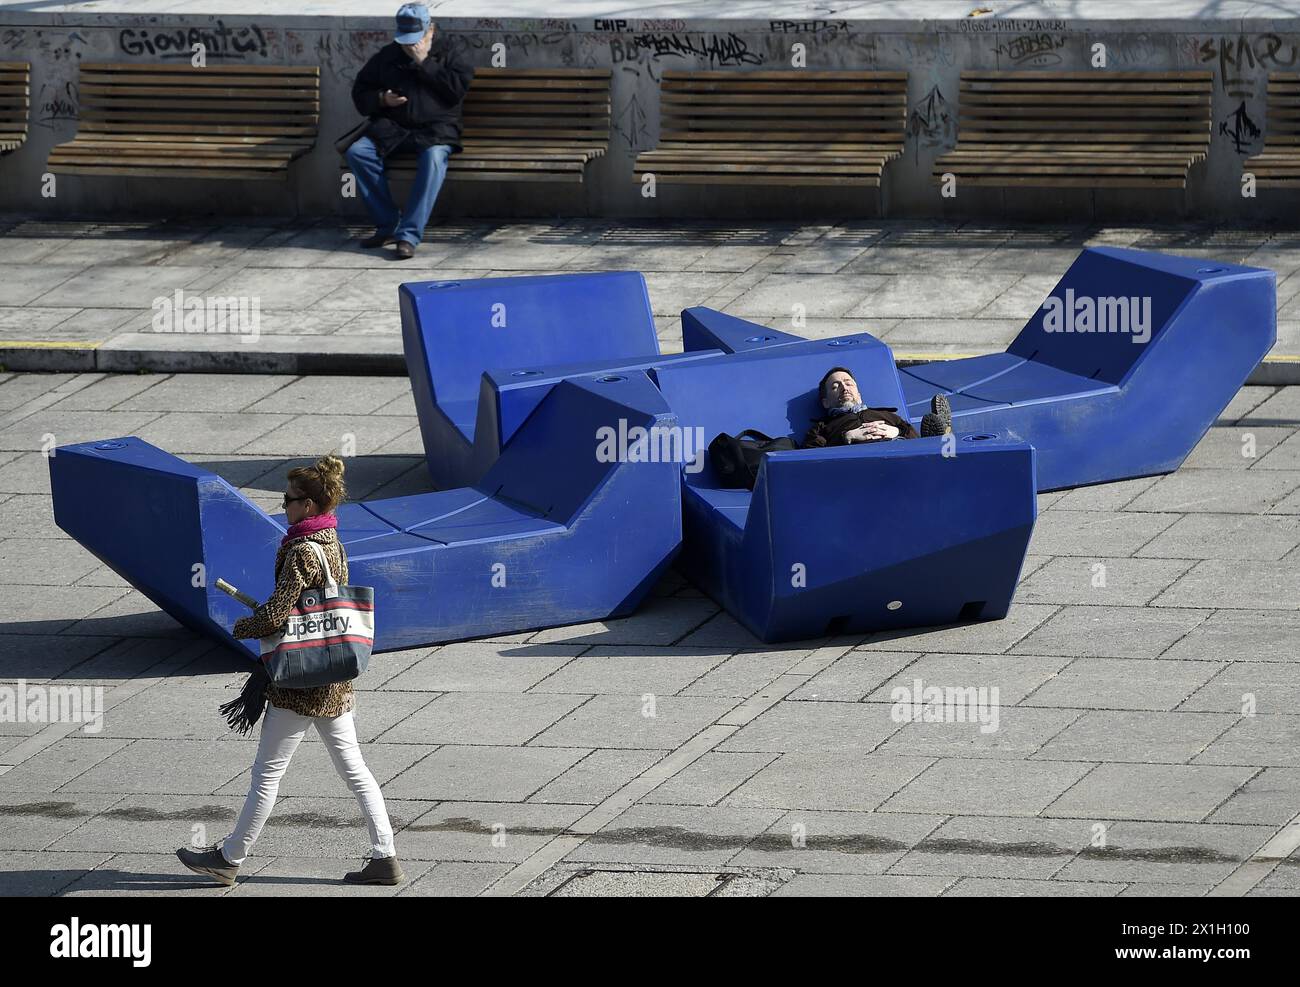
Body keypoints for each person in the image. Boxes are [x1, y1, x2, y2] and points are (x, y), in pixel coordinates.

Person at [176, 455, 404, 887]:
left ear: (311, 506)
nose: (284, 505)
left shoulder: (301, 550)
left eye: (290, 499)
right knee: (355, 771)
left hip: (298, 684)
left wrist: (242, 625)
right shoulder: (331, 540)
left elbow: (277, 616)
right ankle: (385, 856)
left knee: (266, 777)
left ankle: (228, 858)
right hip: (333, 680)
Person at [345, 3, 473, 260]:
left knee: (434, 159)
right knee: (358, 152)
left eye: (416, 40)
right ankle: (387, 222)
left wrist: (424, 62)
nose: (410, 46)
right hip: (395, 128)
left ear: (431, 30)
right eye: (405, 41)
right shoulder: (389, 55)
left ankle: (408, 235)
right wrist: (381, 99)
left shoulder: (450, 53)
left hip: (437, 129)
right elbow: (361, 91)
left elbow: (456, 91)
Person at [803, 367, 952, 447]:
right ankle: (940, 444)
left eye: (848, 383)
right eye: (836, 387)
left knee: (917, 444)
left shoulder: (887, 415)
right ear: (826, 402)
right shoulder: (822, 427)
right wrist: (846, 438)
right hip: (856, 459)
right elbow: (809, 457)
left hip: (896, 448)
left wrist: (897, 432)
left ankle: (935, 443)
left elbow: (911, 434)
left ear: (859, 394)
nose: (844, 387)